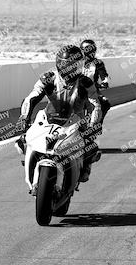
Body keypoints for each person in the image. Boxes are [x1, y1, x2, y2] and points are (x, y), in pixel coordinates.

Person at [15, 45, 103, 183]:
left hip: (76, 121)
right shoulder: (48, 78)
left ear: (81, 65)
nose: (71, 68)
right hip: (47, 119)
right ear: (58, 63)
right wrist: (24, 117)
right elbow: (31, 98)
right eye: (66, 64)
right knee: (22, 142)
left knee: (91, 146)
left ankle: (85, 168)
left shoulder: (85, 82)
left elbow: (95, 104)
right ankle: (31, 164)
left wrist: (93, 125)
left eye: (75, 65)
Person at [80, 39, 111, 123]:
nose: (92, 52)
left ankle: (97, 124)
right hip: (77, 90)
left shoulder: (98, 63)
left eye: (93, 49)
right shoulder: (77, 62)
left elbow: (103, 74)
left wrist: (105, 82)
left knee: (105, 103)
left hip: (93, 90)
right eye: (89, 49)